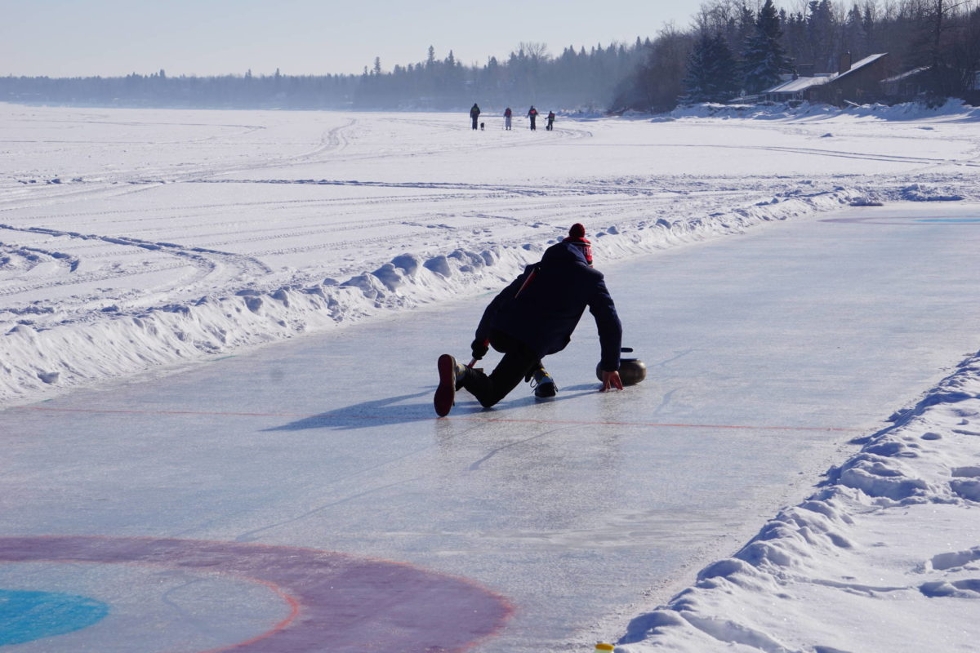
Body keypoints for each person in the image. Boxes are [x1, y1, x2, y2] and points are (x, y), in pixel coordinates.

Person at [434, 224, 624, 416]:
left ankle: (541, 376)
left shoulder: (537, 269)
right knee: (490, 394)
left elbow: (497, 303)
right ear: (587, 257)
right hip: (532, 342)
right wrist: (610, 365)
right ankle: (460, 371)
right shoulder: (591, 278)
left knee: (521, 350)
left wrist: (481, 341)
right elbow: (610, 323)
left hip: (500, 331)